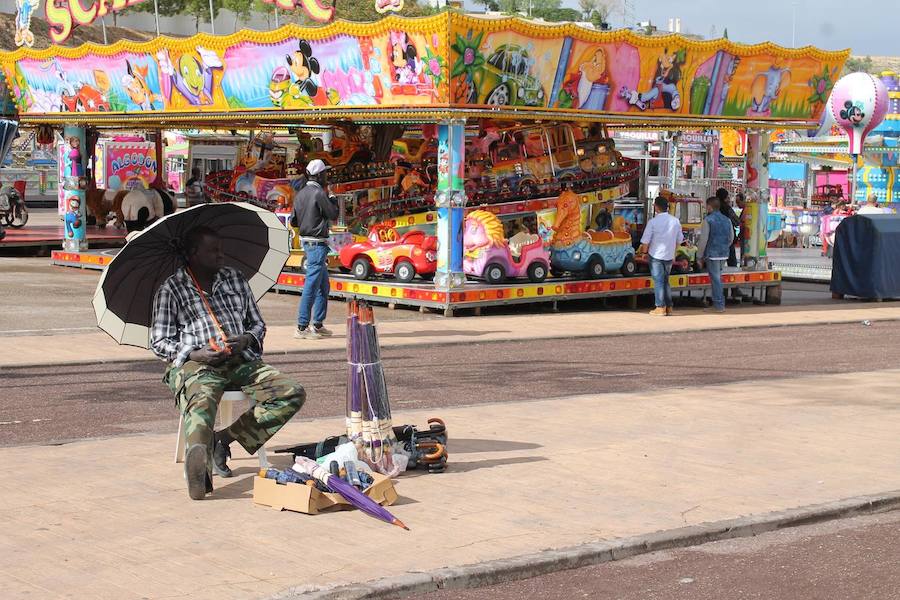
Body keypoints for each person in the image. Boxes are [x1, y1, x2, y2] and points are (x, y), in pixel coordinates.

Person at [151, 226, 306, 500]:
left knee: (291, 392)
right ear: (193, 254)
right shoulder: (171, 289)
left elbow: (257, 323)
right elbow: (159, 341)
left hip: (241, 361)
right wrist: (194, 352)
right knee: (203, 397)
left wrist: (246, 339)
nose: (221, 256)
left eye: (221, 249)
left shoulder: (235, 279)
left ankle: (222, 440)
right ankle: (199, 468)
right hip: (198, 365)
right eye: (213, 251)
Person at [293, 159, 338, 340]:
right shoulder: (319, 193)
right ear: (319, 175)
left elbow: (294, 221)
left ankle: (317, 324)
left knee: (322, 285)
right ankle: (302, 327)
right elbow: (333, 214)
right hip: (317, 244)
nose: (327, 176)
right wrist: (333, 197)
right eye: (325, 173)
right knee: (312, 285)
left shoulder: (300, 194)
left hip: (308, 242)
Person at [639, 196, 683, 316]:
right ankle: (669, 307)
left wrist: (644, 253)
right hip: (669, 256)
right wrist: (674, 253)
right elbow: (680, 240)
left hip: (656, 256)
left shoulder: (653, 222)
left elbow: (646, 241)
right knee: (665, 281)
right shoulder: (675, 221)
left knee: (658, 281)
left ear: (656, 207)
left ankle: (660, 307)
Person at [697, 197, 735, 313]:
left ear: (710, 207)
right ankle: (718, 303)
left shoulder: (708, 220)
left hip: (712, 254)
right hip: (723, 253)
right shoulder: (727, 220)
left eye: (706, 206)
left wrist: (699, 256)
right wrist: (724, 247)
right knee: (718, 278)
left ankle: (718, 305)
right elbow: (731, 238)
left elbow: (703, 240)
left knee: (716, 279)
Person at [716, 187, 741, 267]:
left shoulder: (714, 208)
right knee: (732, 262)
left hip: (716, 240)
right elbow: (737, 222)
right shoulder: (727, 209)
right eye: (727, 197)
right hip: (727, 238)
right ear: (724, 198)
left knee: (717, 263)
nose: (729, 199)